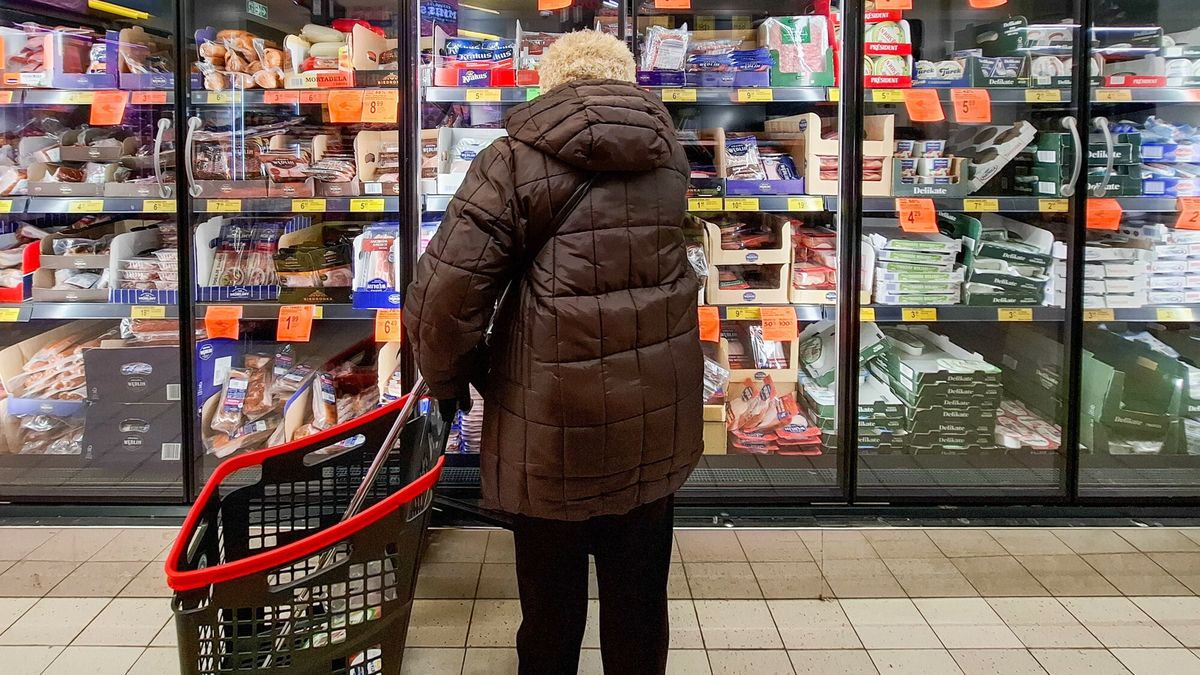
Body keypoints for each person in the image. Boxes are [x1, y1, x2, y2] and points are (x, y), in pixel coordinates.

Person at [405, 29, 703, 675]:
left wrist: (450, 379)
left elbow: (444, 296)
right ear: (627, 82)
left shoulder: (512, 160)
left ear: (550, 83)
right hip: (653, 418)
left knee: (550, 608)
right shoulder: (669, 156)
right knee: (640, 603)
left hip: (549, 427)